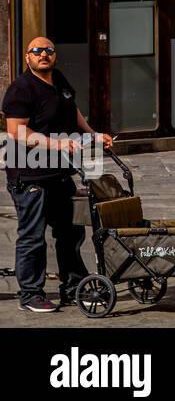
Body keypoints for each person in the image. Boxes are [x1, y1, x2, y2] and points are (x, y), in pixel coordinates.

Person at [2, 37, 110, 312]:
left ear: (55, 56)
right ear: (27, 57)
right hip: (30, 177)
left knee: (70, 233)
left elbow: (72, 111)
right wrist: (58, 143)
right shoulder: (21, 89)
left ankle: (73, 287)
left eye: (48, 50)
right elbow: (18, 132)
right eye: (36, 51)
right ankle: (30, 294)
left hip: (59, 173)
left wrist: (93, 135)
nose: (43, 54)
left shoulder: (59, 80)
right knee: (32, 236)